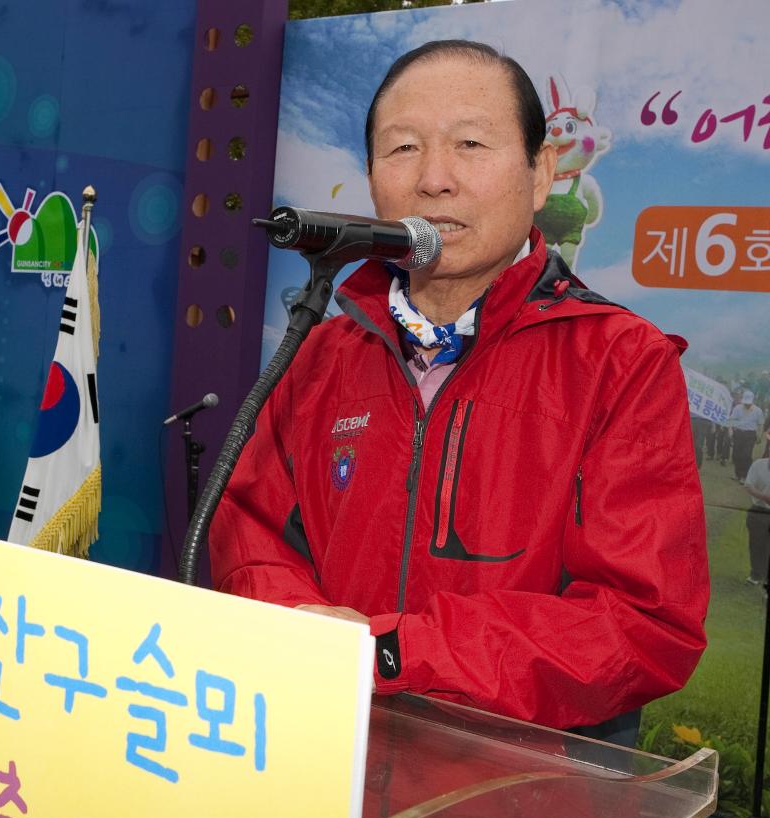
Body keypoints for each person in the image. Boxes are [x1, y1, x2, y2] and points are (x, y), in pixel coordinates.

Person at [209, 40, 708, 742]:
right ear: (373, 177)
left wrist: (394, 650)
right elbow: (249, 532)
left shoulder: (622, 361)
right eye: (403, 148)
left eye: (470, 143)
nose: (434, 178)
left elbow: (641, 623)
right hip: (325, 757)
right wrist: (304, 629)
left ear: (541, 174)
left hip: (528, 798)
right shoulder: (318, 352)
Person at [746, 436, 770, 587]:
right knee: (756, 544)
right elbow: (748, 486)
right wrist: (763, 496)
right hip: (758, 511)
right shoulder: (758, 465)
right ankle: (756, 573)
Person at [729, 390, 764, 481]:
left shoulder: (758, 410)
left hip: (750, 435)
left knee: (746, 455)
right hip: (738, 433)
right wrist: (730, 431)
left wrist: (759, 435)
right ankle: (737, 474)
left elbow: (760, 424)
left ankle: (744, 476)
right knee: (736, 454)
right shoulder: (737, 408)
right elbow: (732, 420)